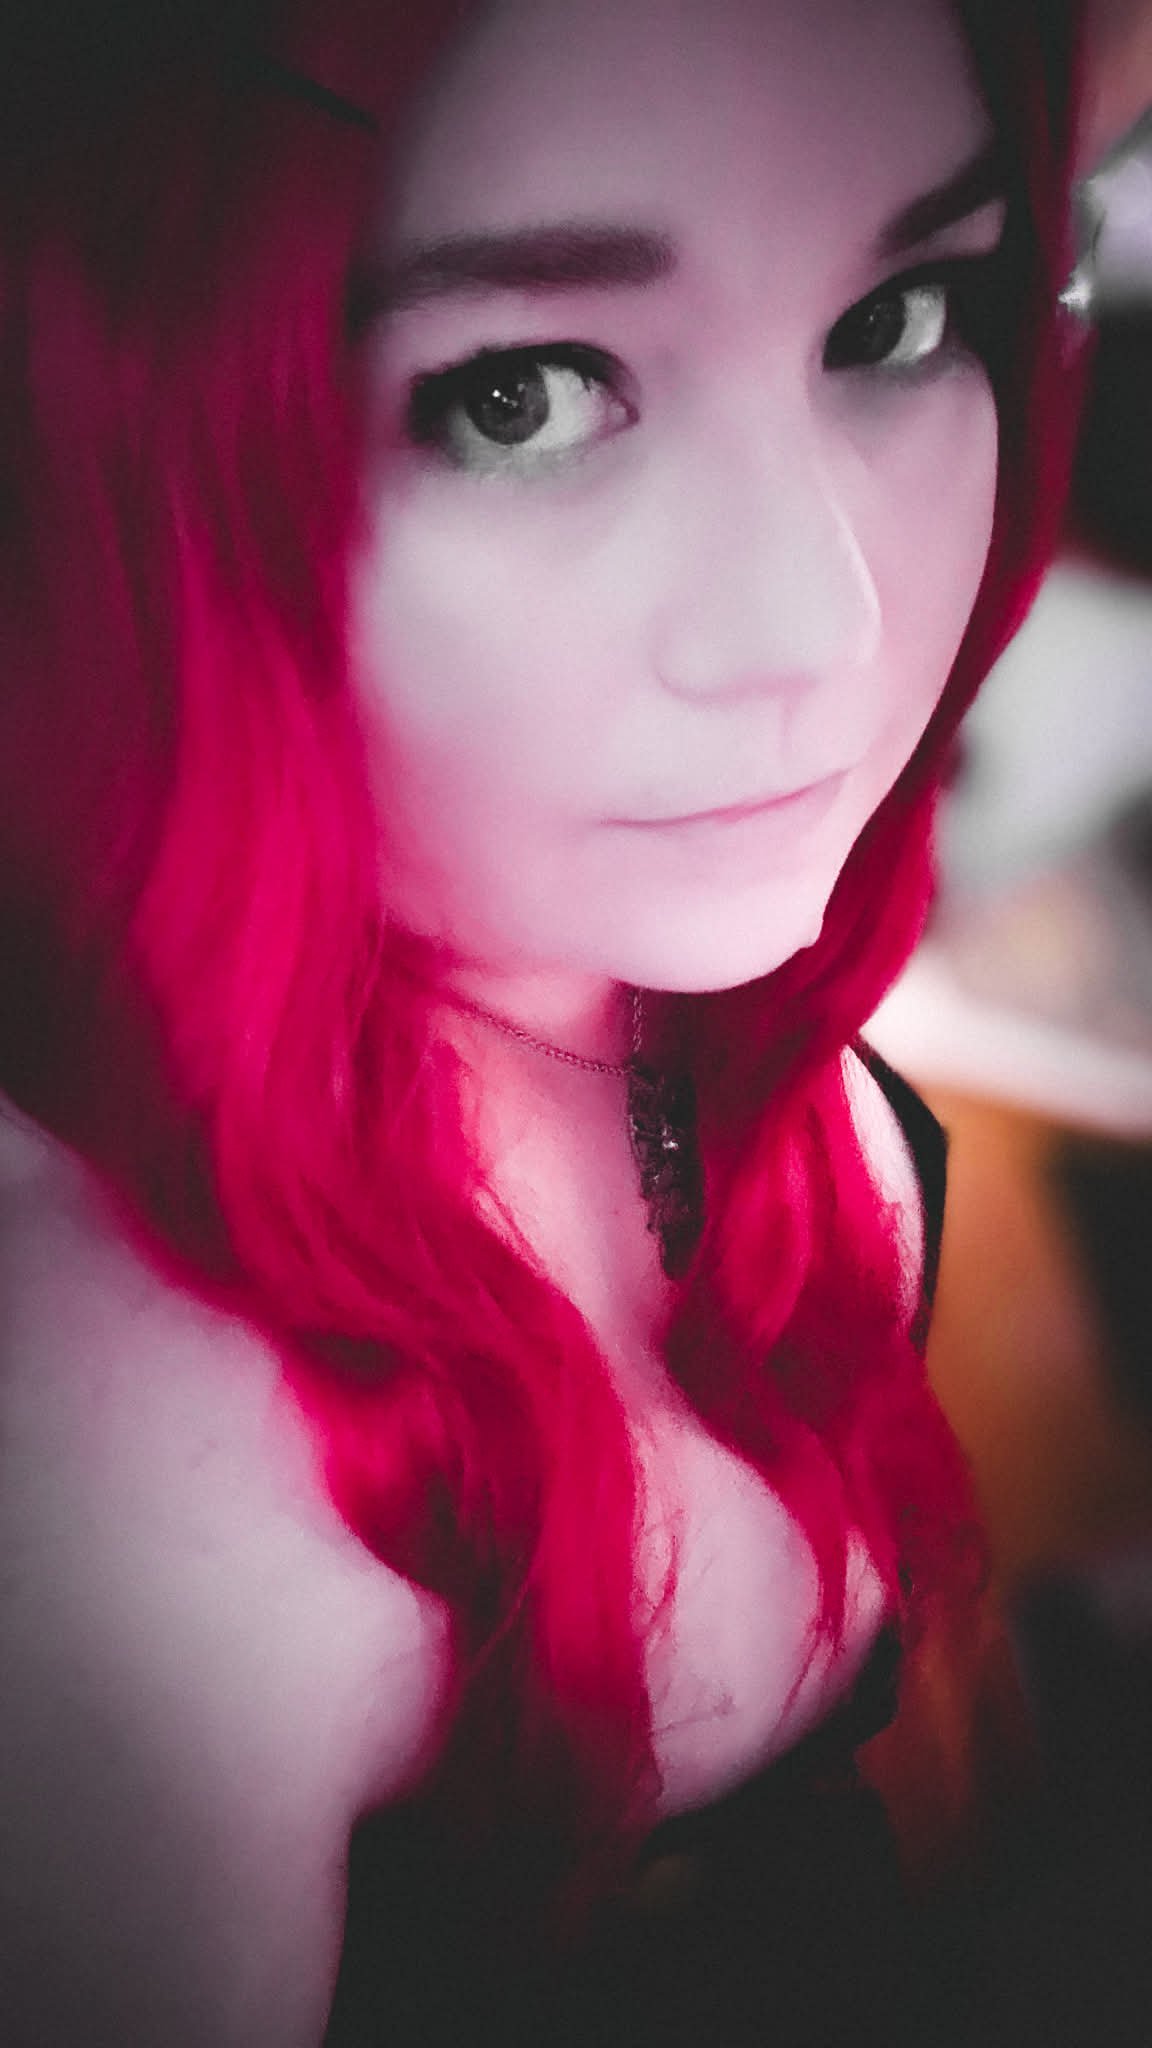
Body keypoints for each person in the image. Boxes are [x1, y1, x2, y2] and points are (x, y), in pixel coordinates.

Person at [0, 0, 1086, 2041]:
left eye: (897, 325)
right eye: (517, 394)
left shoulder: (713, 1032)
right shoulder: (100, 1485)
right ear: (100, 423)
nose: (824, 625)